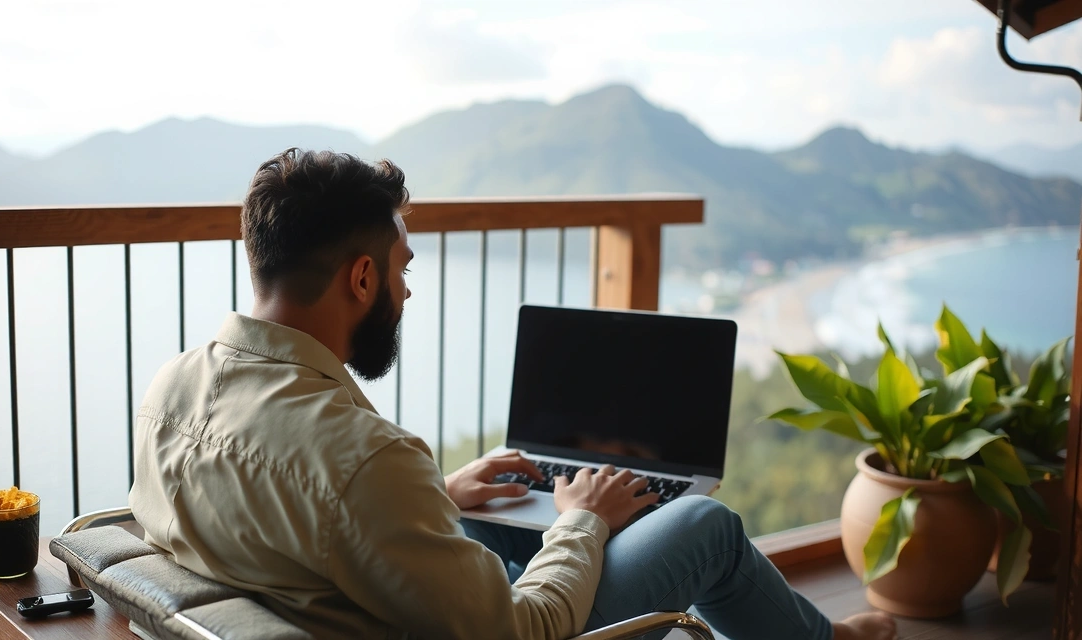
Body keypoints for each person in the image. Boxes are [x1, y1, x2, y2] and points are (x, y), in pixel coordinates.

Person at [129, 149, 897, 640]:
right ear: (360, 279)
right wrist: (585, 521)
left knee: (507, 512)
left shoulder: (170, 390)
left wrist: (435, 493)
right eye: (401, 269)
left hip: (354, 599)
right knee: (703, 524)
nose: (405, 290)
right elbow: (525, 628)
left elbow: (304, 511)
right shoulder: (365, 460)